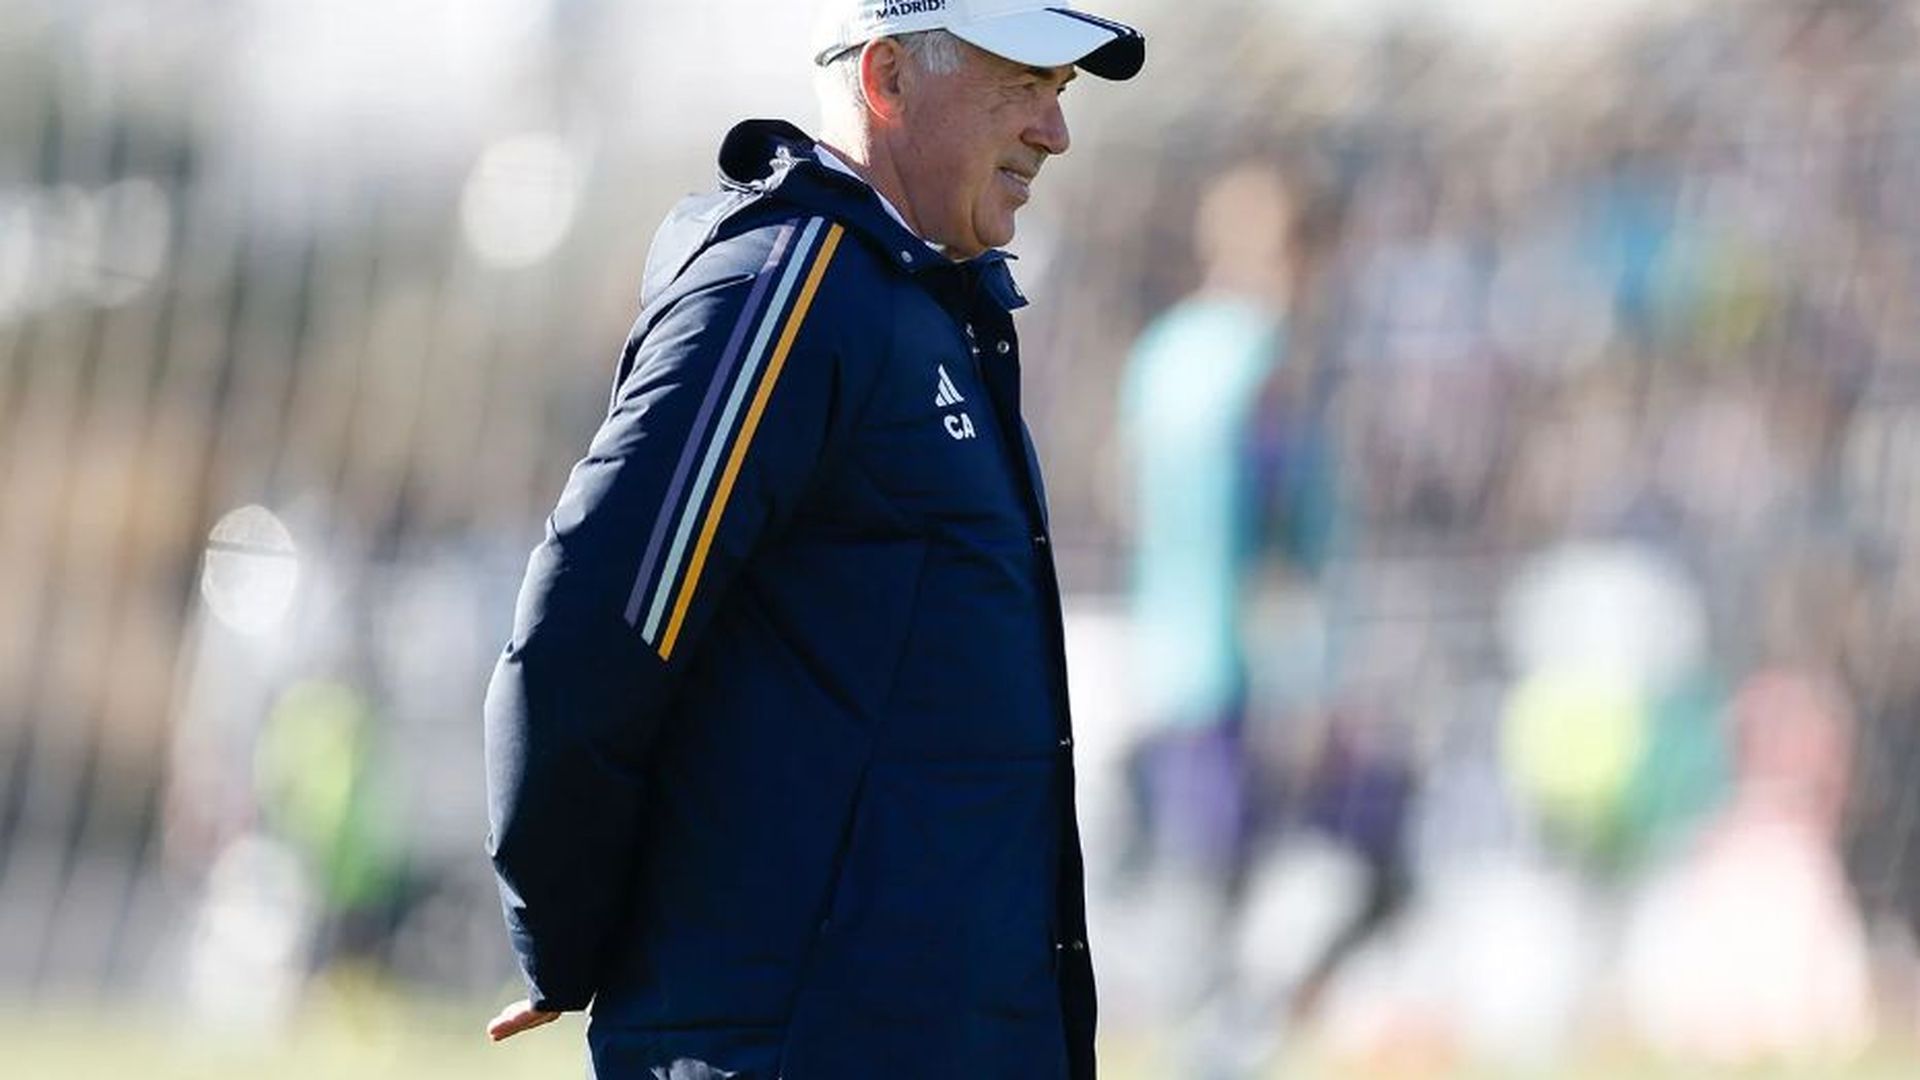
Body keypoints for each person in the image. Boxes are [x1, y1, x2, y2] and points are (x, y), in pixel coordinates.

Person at [481, 3, 1143, 1078]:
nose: (1054, 132)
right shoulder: (791, 287)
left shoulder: (928, 305)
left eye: (1060, 93)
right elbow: (584, 640)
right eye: (1023, 85)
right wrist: (564, 939)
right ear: (886, 79)